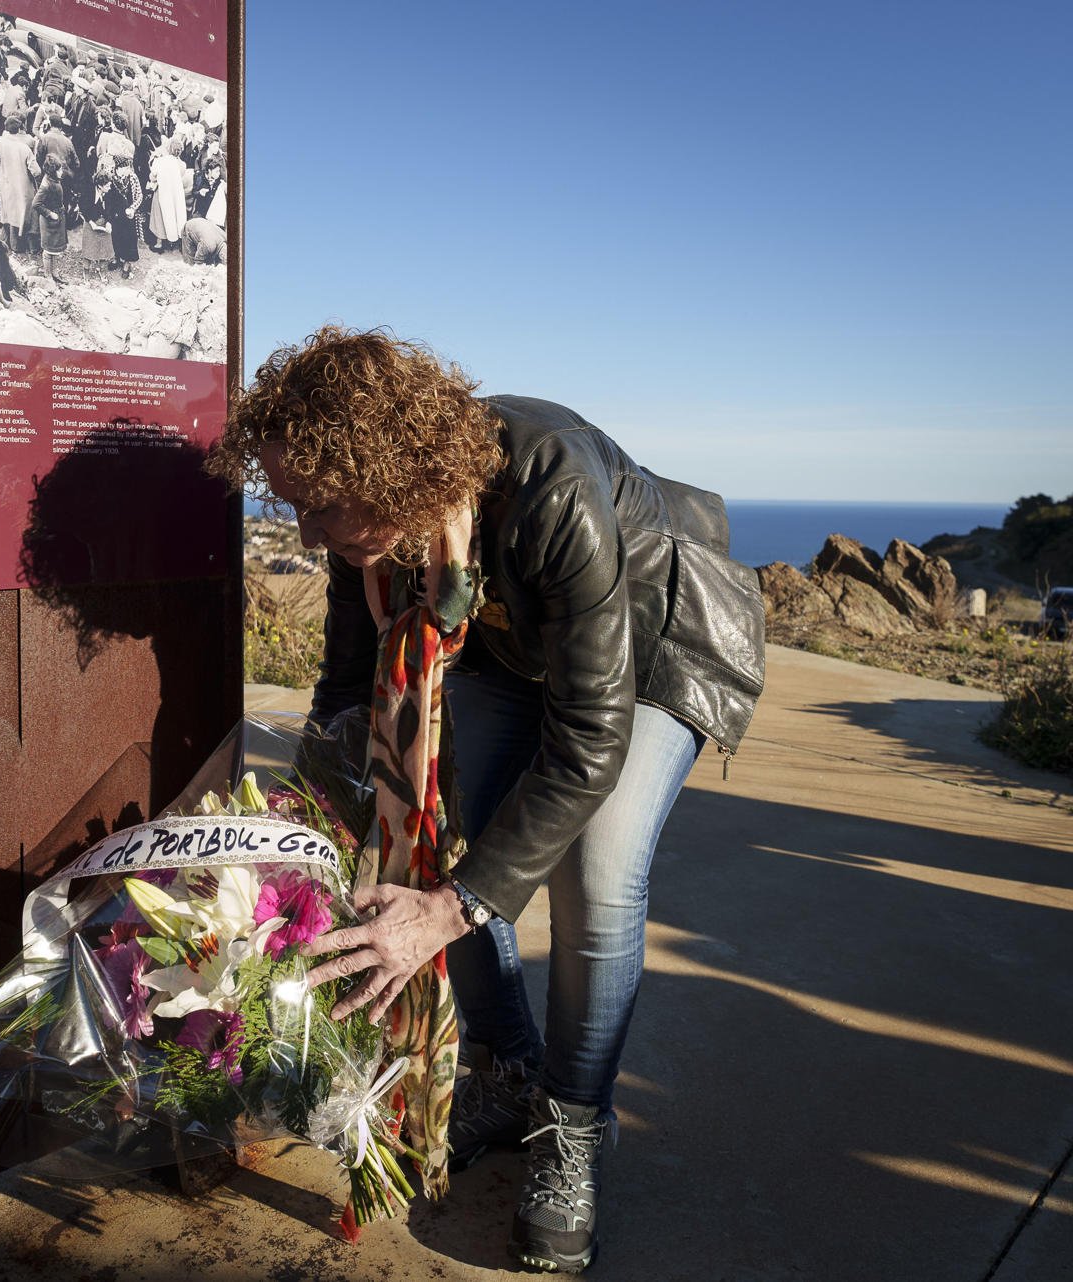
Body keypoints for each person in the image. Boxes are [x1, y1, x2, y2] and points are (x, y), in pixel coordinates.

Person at [206, 327, 765, 1274]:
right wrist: (303, 825)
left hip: (653, 643)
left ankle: (574, 1122)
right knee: (437, 820)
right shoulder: (373, 534)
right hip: (517, 644)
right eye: (290, 506)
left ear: (381, 469)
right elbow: (348, 693)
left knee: (596, 867)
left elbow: (590, 740)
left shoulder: (553, 489)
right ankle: (508, 1072)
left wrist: (447, 912)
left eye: (317, 505)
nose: (303, 533)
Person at [0, 111, 37, 254]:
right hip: (22, 185)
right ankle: (20, 245)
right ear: (19, 128)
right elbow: (36, 170)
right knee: (22, 213)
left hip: (5, 181)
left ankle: (8, 242)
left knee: (7, 210)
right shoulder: (24, 147)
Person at [104, 151, 142, 278]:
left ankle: (127, 262)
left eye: (129, 167)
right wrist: (109, 217)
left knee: (129, 238)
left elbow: (139, 196)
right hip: (115, 215)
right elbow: (107, 199)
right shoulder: (111, 177)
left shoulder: (133, 178)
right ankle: (117, 257)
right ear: (118, 168)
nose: (129, 169)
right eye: (126, 167)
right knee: (116, 236)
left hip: (129, 216)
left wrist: (132, 209)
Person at [145, 141, 188, 252]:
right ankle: (174, 241)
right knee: (176, 215)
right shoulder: (182, 165)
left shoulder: (160, 161)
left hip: (162, 192)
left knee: (159, 215)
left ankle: (159, 243)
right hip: (176, 194)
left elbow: (152, 177)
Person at [33, 154, 68, 280]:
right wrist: (50, 214)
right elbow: (36, 204)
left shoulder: (54, 180)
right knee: (48, 250)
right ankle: (48, 276)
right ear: (53, 171)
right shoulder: (46, 185)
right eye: (59, 170)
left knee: (55, 248)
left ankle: (54, 272)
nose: (61, 172)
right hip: (50, 221)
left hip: (57, 219)